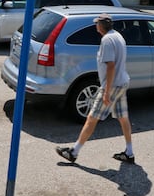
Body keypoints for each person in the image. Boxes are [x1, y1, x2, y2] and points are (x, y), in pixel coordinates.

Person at [55, 13, 134, 164]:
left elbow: (110, 66)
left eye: (97, 24)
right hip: (122, 82)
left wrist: (106, 91)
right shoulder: (117, 35)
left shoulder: (107, 40)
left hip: (112, 86)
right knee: (123, 117)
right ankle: (129, 152)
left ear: (101, 26)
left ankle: (74, 152)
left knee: (92, 118)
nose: (95, 26)